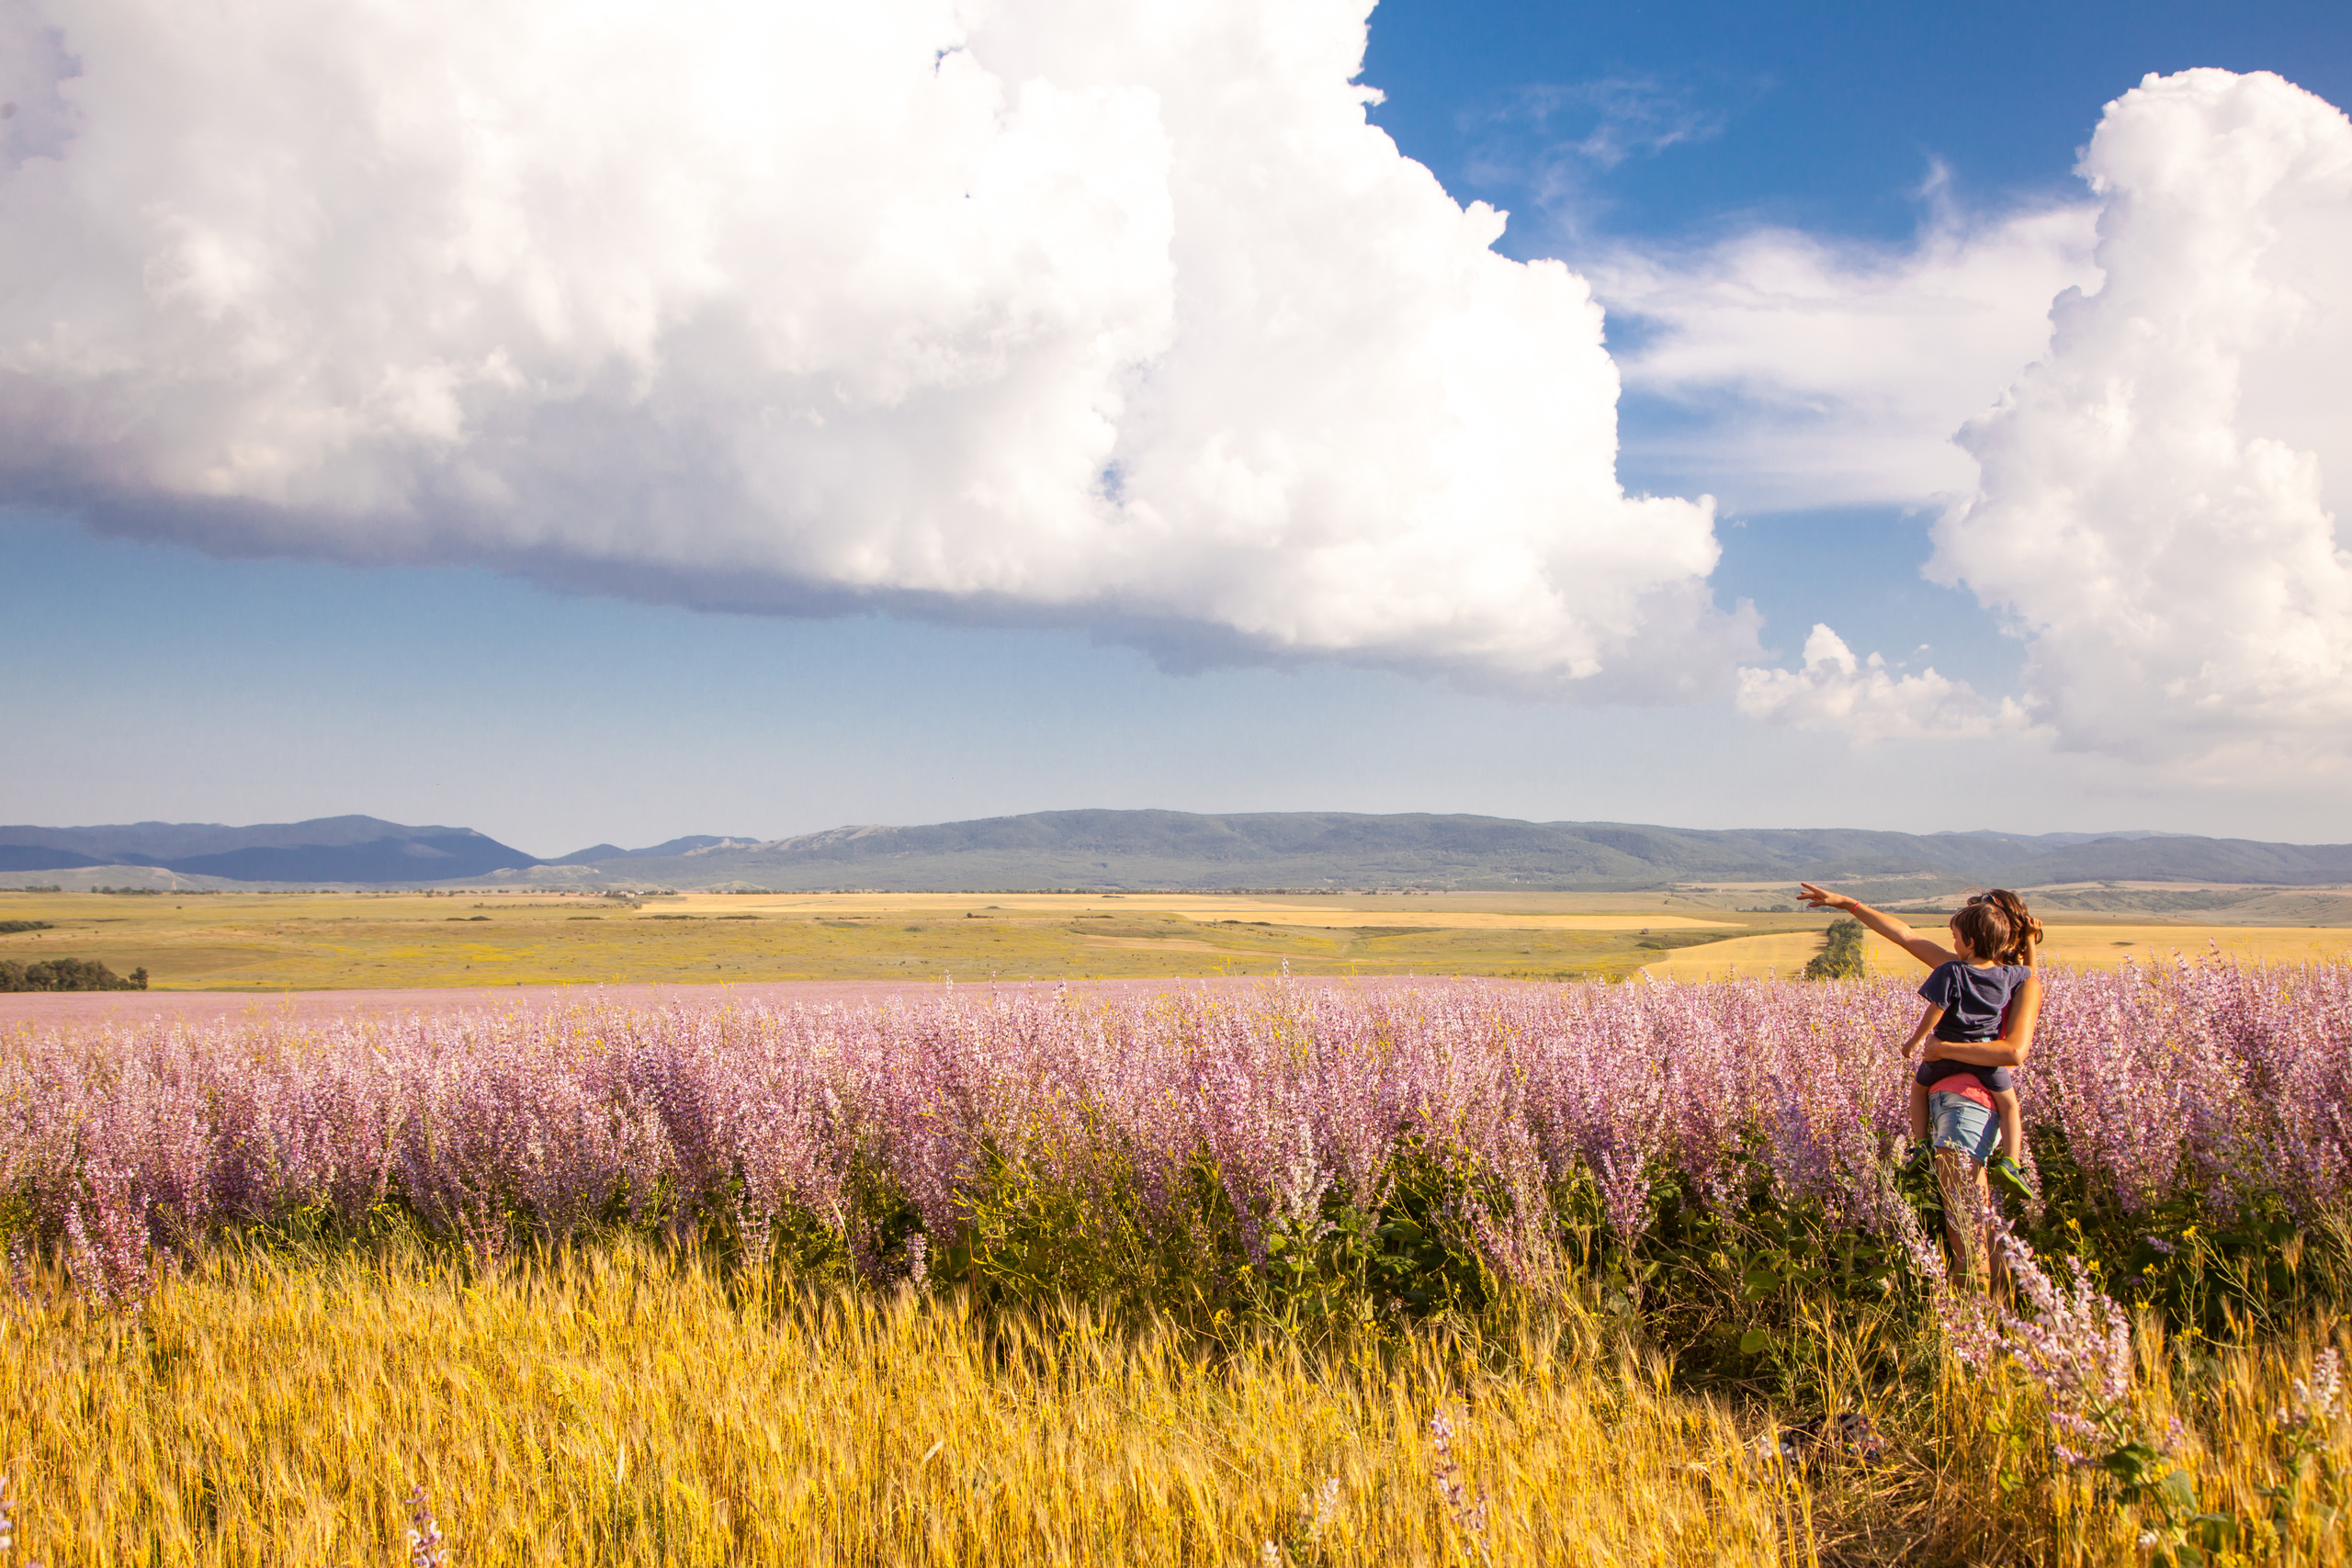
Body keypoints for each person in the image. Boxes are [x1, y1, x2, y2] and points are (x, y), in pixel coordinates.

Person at [1797, 883, 2045, 1291]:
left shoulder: (2022, 985)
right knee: (1976, 1218)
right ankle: (1999, 1315)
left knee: (1963, 1224)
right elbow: (1905, 935)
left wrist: (1944, 1047)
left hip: (1967, 1103)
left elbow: (2014, 1052)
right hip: (1957, 1101)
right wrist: (1849, 904)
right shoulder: (1966, 970)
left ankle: (1975, 1325)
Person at [1897, 898, 2035, 1203]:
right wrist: (2029, 941)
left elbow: (1936, 1009)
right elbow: (2029, 974)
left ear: (1969, 942)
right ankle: (2012, 1161)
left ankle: (1920, 1144)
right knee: (2010, 1106)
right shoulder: (2007, 975)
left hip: (1944, 1057)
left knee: (1918, 1090)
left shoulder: (1952, 971)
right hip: (1987, 1060)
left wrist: (1916, 1041)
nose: (1954, 943)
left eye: (1956, 938)